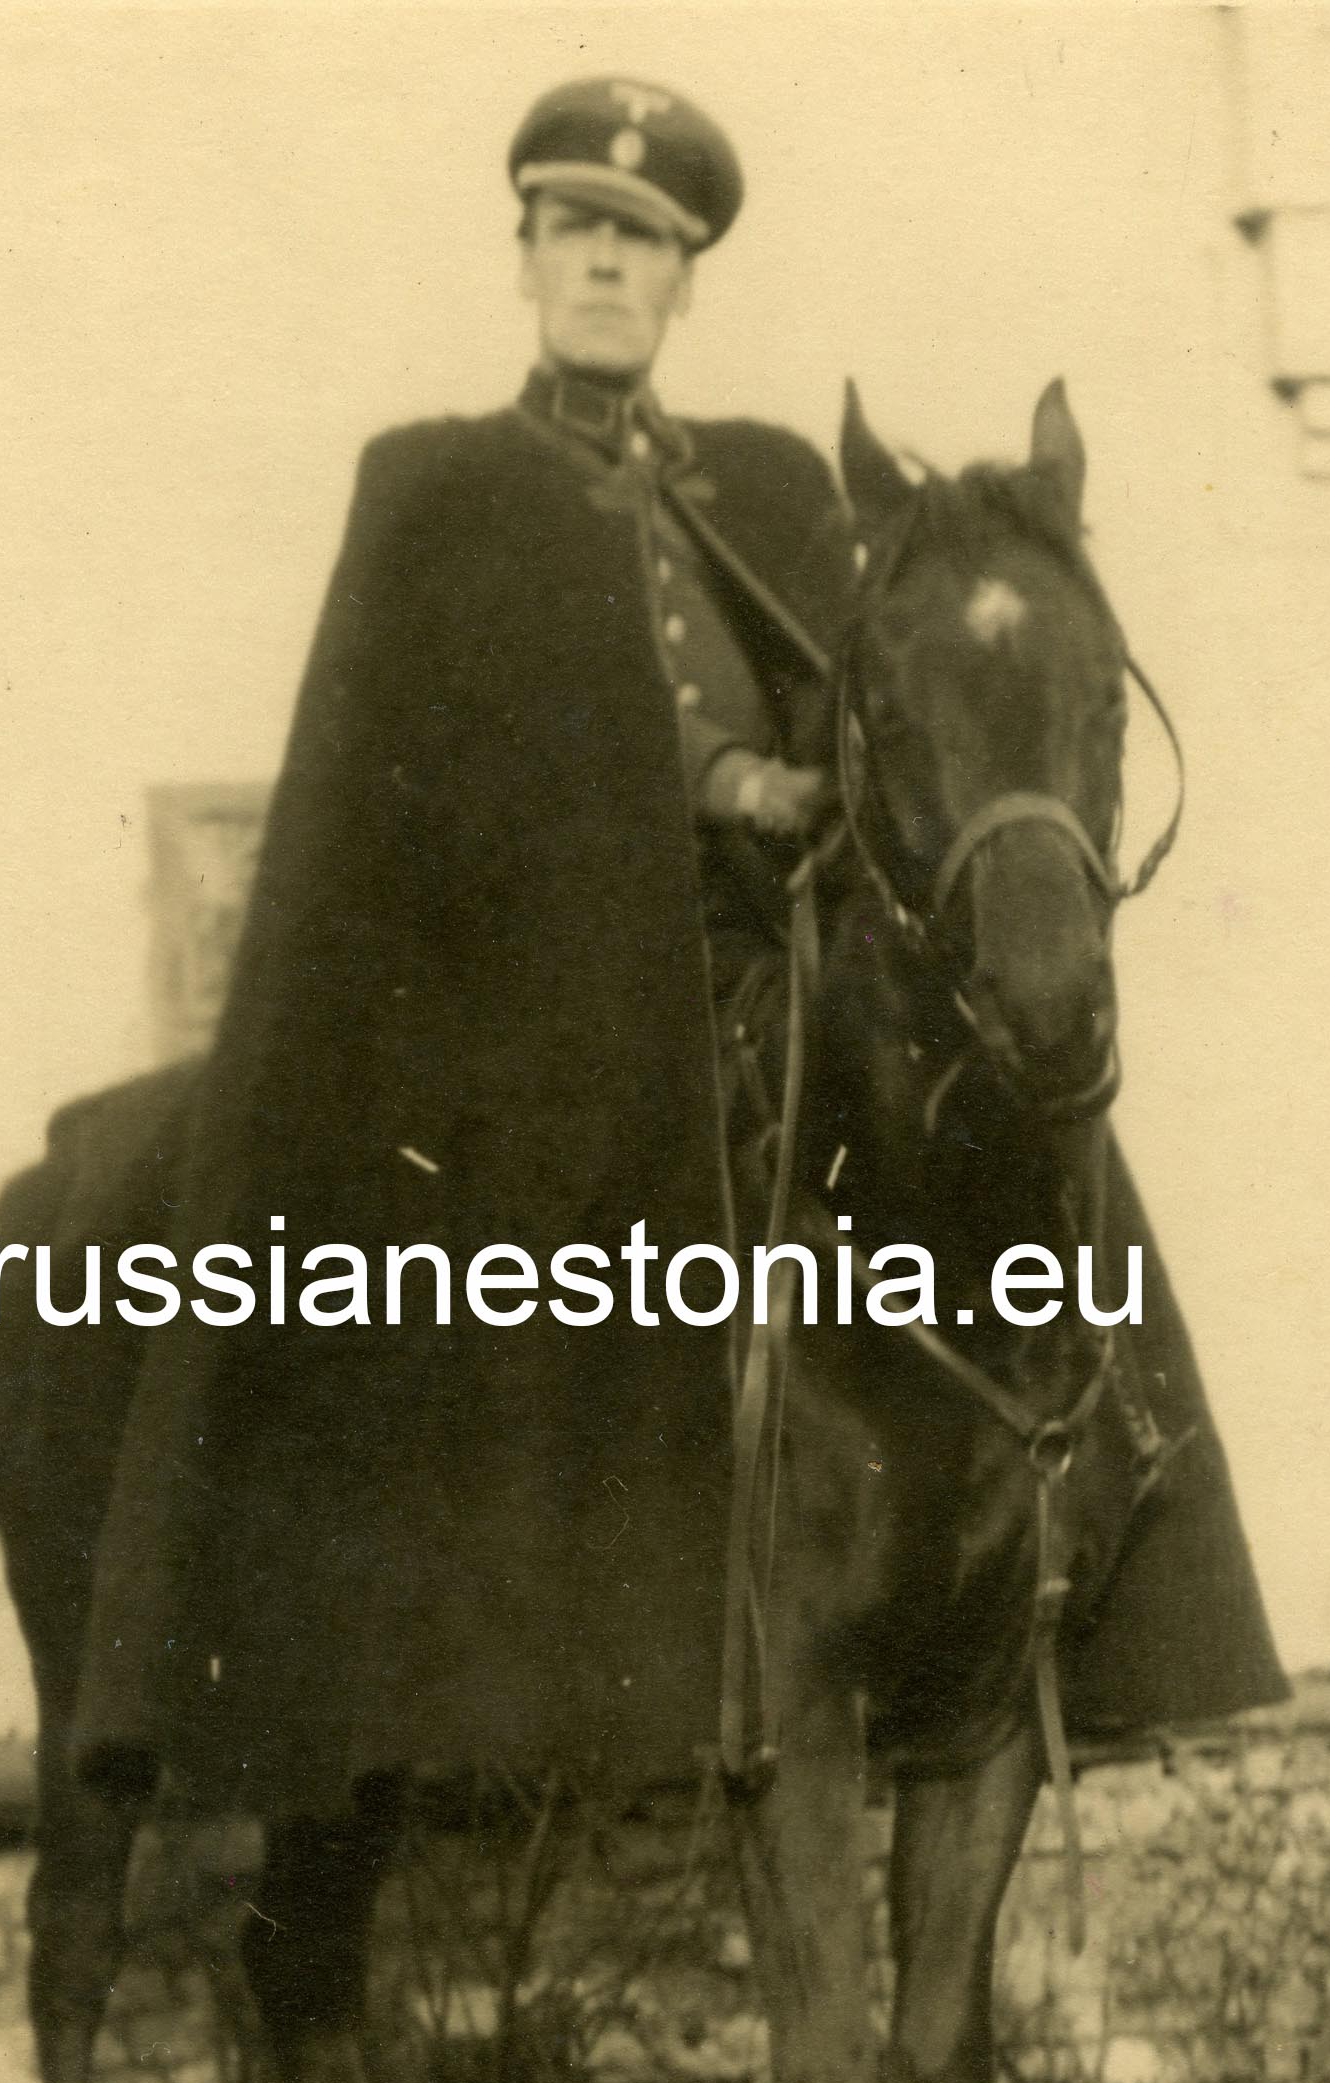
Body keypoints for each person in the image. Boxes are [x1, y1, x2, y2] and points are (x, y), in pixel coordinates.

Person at [68, 78, 857, 1815]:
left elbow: (848, 708)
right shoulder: (441, 488)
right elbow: (429, 780)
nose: (607, 266)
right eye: (577, 231)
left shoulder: (765, 489)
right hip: (536, 1009)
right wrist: (724, 782)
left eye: (641, 241)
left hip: (755, 985)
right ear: (526, 259)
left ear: (686, 278)